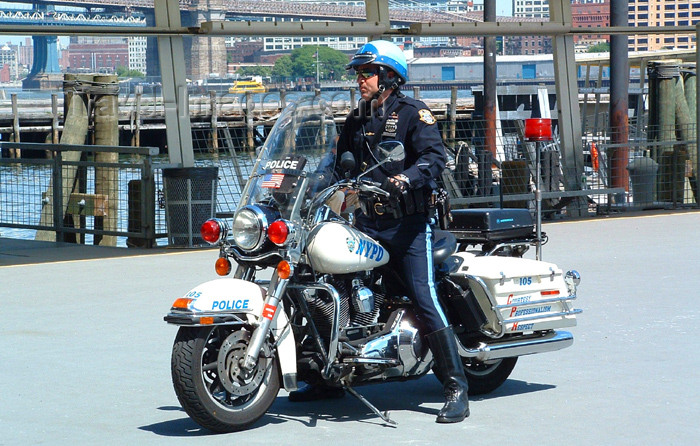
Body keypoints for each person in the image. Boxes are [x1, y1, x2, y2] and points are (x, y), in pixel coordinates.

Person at [288, 40, 470, 424]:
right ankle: (326, 378)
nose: (360, 79)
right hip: (366, 222)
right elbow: (339, 167)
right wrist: (302, 189)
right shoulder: (356, 119)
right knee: (328, 284)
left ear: (389, 76)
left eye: (366, 72)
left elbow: (437, 158)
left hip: (407, 226)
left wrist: (405, 178)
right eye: (358, 73)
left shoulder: (412, 113)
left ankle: (456, 387)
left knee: (424, 298)